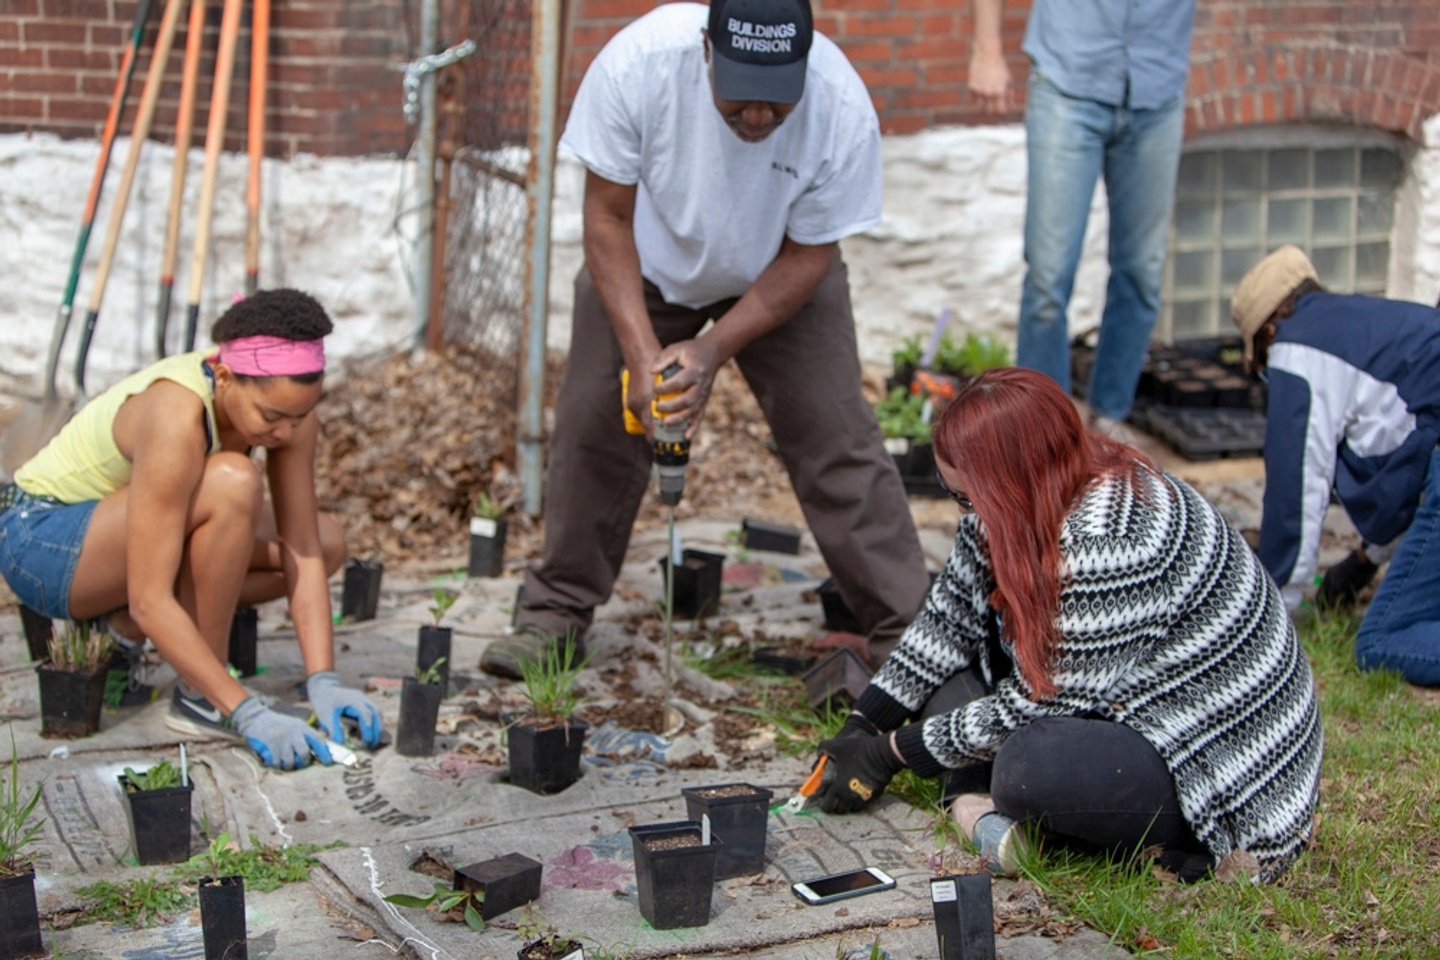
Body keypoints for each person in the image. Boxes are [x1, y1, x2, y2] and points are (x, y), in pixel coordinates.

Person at [482, 0, 929, 677]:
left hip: (780, 268)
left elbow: (812, 255)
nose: (757, 116)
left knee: (838, 438)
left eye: (776, 102)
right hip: (647, 267)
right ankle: (556, 615)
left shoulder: (839, 107)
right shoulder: (638, 66)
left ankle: (908, 641)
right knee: (593, 425)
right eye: (740, 98)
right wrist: (641, 360)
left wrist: (714, 348)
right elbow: (605, 218)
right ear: (706, 51)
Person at [813, 368, 1322, 884]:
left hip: (1215, 760)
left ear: (1012, 483)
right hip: (1113, 703)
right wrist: (864, 723)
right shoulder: (1025, 496)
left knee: (1029, 769)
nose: (965, 512)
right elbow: (946, 622)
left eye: (970, 498)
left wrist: (892, 752)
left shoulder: (1112, 540)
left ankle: (985, 795)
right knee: (952, 683)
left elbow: (1038, 707)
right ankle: (972, 794)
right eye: (956, 493)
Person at [0, 289, 383, 769]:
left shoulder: (287, 415)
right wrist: (243, 710)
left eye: (300, 416)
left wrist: (322, 679)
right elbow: (150, 595)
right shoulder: (176, 414)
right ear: (223, 376)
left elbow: (302, 548)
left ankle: (120, 632)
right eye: (271, 417)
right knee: (232, 483)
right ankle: (201, 696)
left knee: (326, 543)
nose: (285, 432)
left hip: (123, 532)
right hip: (42, 539)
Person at [967, 0, 1196, 434]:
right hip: (1068, 80)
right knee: (1048, 277)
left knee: (1142, 273)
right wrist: (986, 49)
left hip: (1157, 86)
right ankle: (1044, 432)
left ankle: (1108, 420)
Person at [1231, 245, 1440, 685]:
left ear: (1270, 330)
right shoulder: (1372, 327)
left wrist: (1274, 614)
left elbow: (1298, 489)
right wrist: (1365, 560)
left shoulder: (1296, 351)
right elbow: (1410, 459)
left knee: (1382, 642)